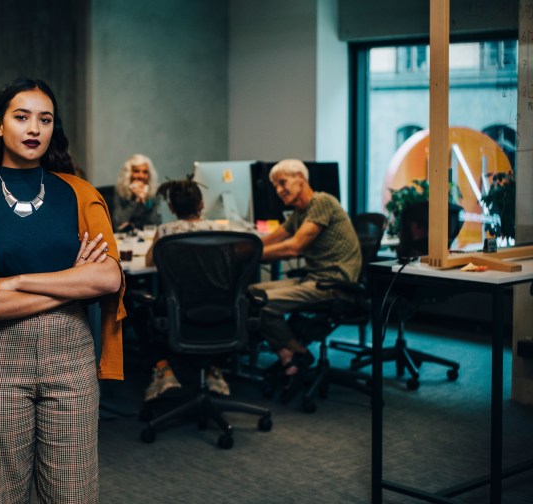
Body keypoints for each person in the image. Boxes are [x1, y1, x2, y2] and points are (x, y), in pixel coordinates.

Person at [0, 78, 125, 504]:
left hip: (71, 358)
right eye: (22, 117)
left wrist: (16, 282)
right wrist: (72, 283)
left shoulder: (81, 195)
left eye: (45, 119)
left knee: (74, 496)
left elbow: (109, 278)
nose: (34, 128)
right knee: (5, 496)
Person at [248, 159, 361, 386]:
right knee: (250, 292)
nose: (279, 191)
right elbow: (270, 240)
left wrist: (249, 256)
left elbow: (293, 247)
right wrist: (244, 247)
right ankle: (287, 354)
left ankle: (298, 354)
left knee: (262, 302)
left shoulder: (322, 202)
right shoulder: (299, 213)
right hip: (314, 279)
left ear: (301, 178)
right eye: (276, 186)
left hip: (333, 284)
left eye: (283, 183)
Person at [138, 176, 231, 401]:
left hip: (178, 309)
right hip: (221, 309)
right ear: (201, 205)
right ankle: (214, 369)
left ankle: (164, 370)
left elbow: (150, 262)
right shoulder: (220, 229)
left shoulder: (166, 231)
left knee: (138, 307)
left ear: (171, 207)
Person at [112, 153, 161, 232]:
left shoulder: (154, 191)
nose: (141, 176)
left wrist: (145, 201)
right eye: (136, 171)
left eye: (145, 172)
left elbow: (156, 224)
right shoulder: (120, 191)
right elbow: (118, 223)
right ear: (128, 173)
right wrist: (136, 200)